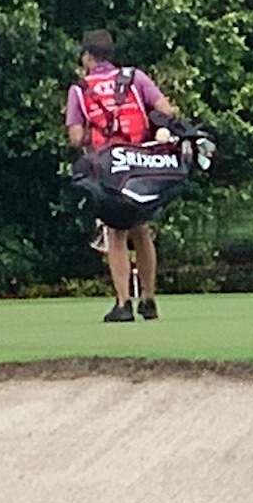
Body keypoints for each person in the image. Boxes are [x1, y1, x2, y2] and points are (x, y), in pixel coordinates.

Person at [67, 28, 178, 323]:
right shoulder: (134, 77)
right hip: (140, 163)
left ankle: (123, 302)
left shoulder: (80, 89)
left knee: (115, 233)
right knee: (141, 228)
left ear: (88, 57)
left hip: (108, 167)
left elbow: (75, 137)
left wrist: (95, 132)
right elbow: (166, 110)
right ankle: (149, 299)